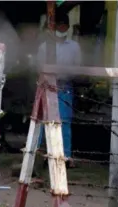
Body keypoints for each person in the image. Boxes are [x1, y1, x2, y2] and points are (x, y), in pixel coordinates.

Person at [36, 11, 81, 168]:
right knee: (43, 121)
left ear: (67, 27)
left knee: (65, 122)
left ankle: (66, 156)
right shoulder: (44, 47)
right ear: (52, 27)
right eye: (58, 25)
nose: (61, 28)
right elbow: (39, 67)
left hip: (65, 86)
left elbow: (77, 68)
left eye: (64, 26)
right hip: (47, 86)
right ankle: (40, 155)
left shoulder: (74, 47)